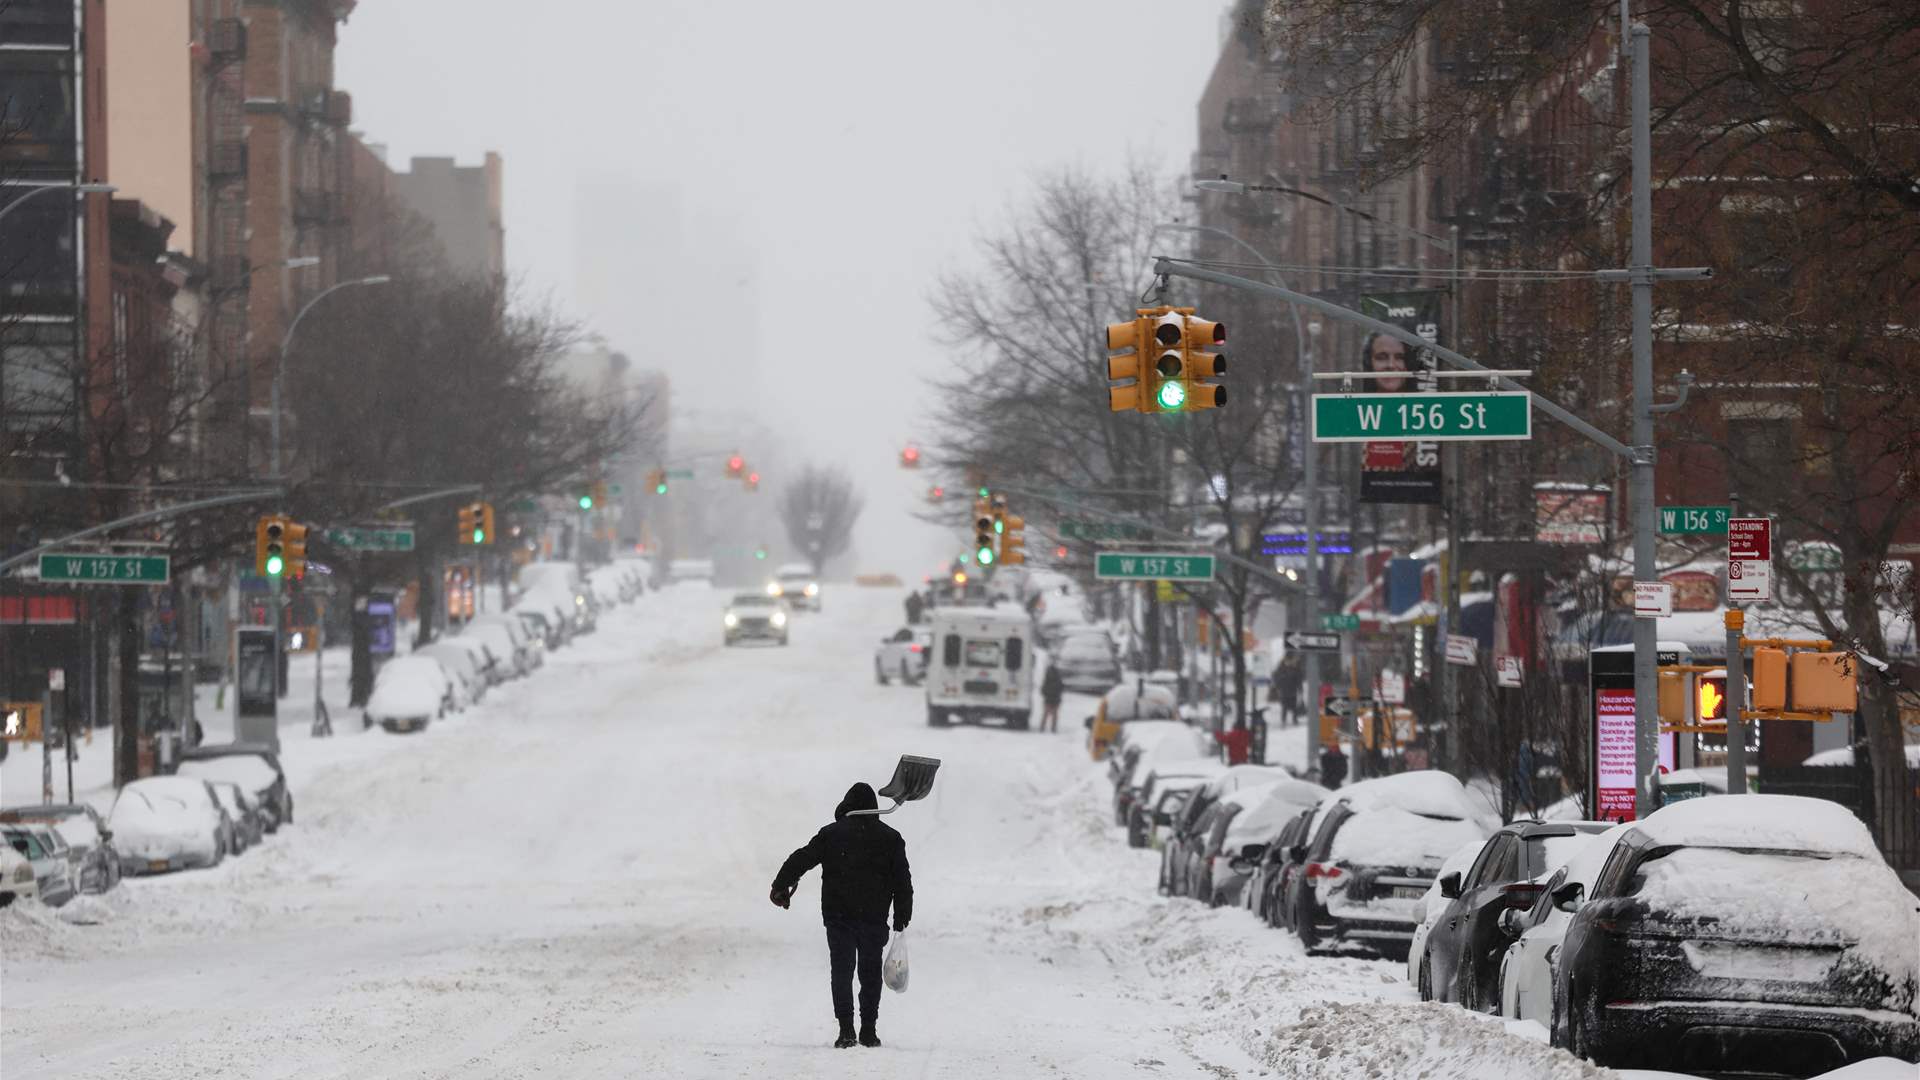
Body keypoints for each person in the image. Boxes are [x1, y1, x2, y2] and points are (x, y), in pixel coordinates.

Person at [769, 783, 914, 1049]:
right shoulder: (890, 838)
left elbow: (802, 858)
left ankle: (846, 1030)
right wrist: (902, 916)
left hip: (839, 917)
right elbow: (902, 881)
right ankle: (868, 1030)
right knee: (870, 973)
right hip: (873, 918)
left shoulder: (832, 834)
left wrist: (781, 885)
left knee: (842, 971)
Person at [1040, 662, 1064, 733]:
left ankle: (1046, 727)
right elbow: (1061, 688)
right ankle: (1050, 727)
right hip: (1053, 699)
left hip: (1052, 699)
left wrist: (1047, 693)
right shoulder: (1055, 680)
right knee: (1051, 714)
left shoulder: (1048, 680)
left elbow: (1043, 690)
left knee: (1048, 714)